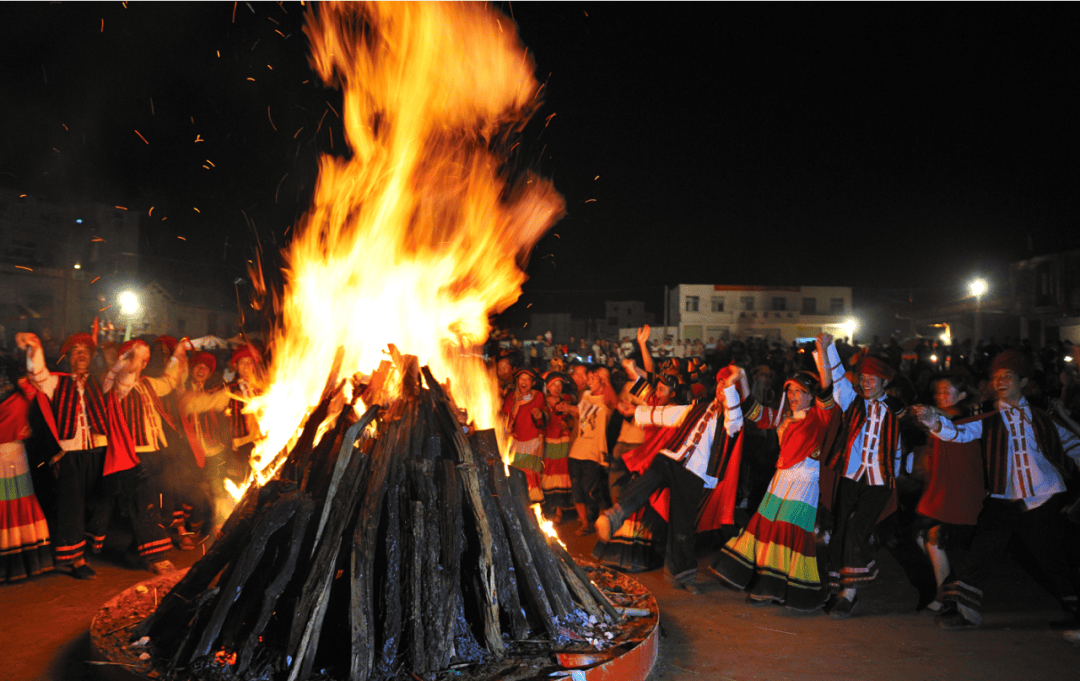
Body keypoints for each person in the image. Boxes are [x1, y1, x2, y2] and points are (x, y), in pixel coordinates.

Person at [914, 349, 1080, 629]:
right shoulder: (989, 420)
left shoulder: (1041, 418)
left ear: (1024, 381)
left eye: (1008, 376)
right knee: (980, 553)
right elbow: (958, 433)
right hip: (1003, 500)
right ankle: (966, 613)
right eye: (996, 377)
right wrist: (933, 420)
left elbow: (1074, 445)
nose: (1000, 381)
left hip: (1041, 500)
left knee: (1053, 561)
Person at [709, 336, 837, 611]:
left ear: (811, 396)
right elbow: (754, 412)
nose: (792, 397)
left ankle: (790, 590)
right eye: (789, 391)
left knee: (789, 532)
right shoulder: (783, 416)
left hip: (805, 483)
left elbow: (828, 388)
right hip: (779, 481)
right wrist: (741, 378)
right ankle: (768, 586)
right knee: (765, 529)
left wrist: (823, 352)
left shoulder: (821, 418)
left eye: (799, 392)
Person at [597, 365, 745, 594]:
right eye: (720, 383)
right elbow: (665, 414)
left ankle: (682, 574)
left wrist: (733, 384)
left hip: (693, 474)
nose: (722, 388)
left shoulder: (732, 420)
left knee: (682, 525)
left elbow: (734, 419)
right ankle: (616, 514)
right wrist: (634, 412)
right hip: (670, 457)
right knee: (648, 479)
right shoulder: (696, 407)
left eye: (728, 386)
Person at [819, 334, 907, 618]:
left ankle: (850, 592)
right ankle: (840, 587)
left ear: (885, 384)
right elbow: (837, 376)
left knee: (856, 528)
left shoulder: (897, 410)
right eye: (863, 378)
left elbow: (909, 440)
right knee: (842, 529)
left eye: (873, 379)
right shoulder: (851, 400)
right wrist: (828, 348)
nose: (866, 383)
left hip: (879, 481)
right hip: (850, 476)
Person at [24, 332, 116, 579]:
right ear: (69, 358)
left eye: (86, 350)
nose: (81, 354)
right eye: (76, 350)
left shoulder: (101, 381)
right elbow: (36, 372)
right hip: (70, 454)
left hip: (98, 450)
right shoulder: (55, 382)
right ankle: (77, 559)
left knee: (98, 503)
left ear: (91, 356)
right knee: (71, 508)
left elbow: (122, 375)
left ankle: (89, 545)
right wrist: (35, 346)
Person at [107, 337, 189, 573]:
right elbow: (126, 374)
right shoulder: (121, 385)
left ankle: (135, 554)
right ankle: (156, 557)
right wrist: (134, 356)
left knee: (158, 505)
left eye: (143, 361)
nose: (140, 365)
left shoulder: (148, 384)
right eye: (136, 360)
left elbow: (170, 380)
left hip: (154, 452)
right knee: (144, 505)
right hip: (133, 456)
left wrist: (177, 355)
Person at [910, 374, 985, 612]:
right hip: (940, 487)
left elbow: (948, 421)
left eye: (947, 391)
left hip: (959, 489)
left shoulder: (966, 419)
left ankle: (946, 595)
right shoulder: (938, 418)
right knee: (924, 537)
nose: (941, 396)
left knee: (934, 538)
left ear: (962, 395)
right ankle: (949, 589)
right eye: (938, 392)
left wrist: (928, 411)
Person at [0, 342, 54, 582]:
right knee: (12, 504)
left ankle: (19, 564)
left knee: (14, 503)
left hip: (16, 453)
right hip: (13, 453)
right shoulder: (23, 389)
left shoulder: (24, 389)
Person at [564, 366, 613, 535]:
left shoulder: (607, 399)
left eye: (593, 378)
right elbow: (582, 416)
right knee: (577, 488)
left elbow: (612, 405)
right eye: (589, 378)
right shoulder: (585, 396)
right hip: (578, 449)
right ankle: (585, 524)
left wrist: (607, 382)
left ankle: (599, 517)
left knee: (589, 490)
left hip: (595, 452)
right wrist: (568, 408)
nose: (589, 381)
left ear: (602, 380)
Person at [502, 367, 548, 504]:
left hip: (534, 437)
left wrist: (540, 415)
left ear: (533, 383)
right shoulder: (511, 397)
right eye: (522, 378)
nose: (524, 382)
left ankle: (535, 501)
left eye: (528, 379)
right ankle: (521, 501)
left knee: (531, 471)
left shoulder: (537, 396)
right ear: (517, 381)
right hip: (517, 440)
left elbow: (543, 416)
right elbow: (507, 419)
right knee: (518, 472)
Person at [540, 372, 574, 521]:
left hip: (564, 441)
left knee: (562, 473)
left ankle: (559, 510)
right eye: (554, 384)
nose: (557, 388)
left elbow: (575, 420)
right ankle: (549, 508)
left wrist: (568, 424)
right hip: (549, 440)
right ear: (548, 386)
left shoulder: (567, 400)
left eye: (560, 385)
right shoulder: (542, 401)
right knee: (549, 472)